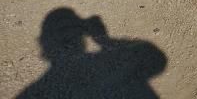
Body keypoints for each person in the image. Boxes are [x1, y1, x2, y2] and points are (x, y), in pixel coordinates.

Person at [17, 8, 167, 99]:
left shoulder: (36, 92)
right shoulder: (107, 63)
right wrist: (103, 39)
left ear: (43, 42)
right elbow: (156, 58)